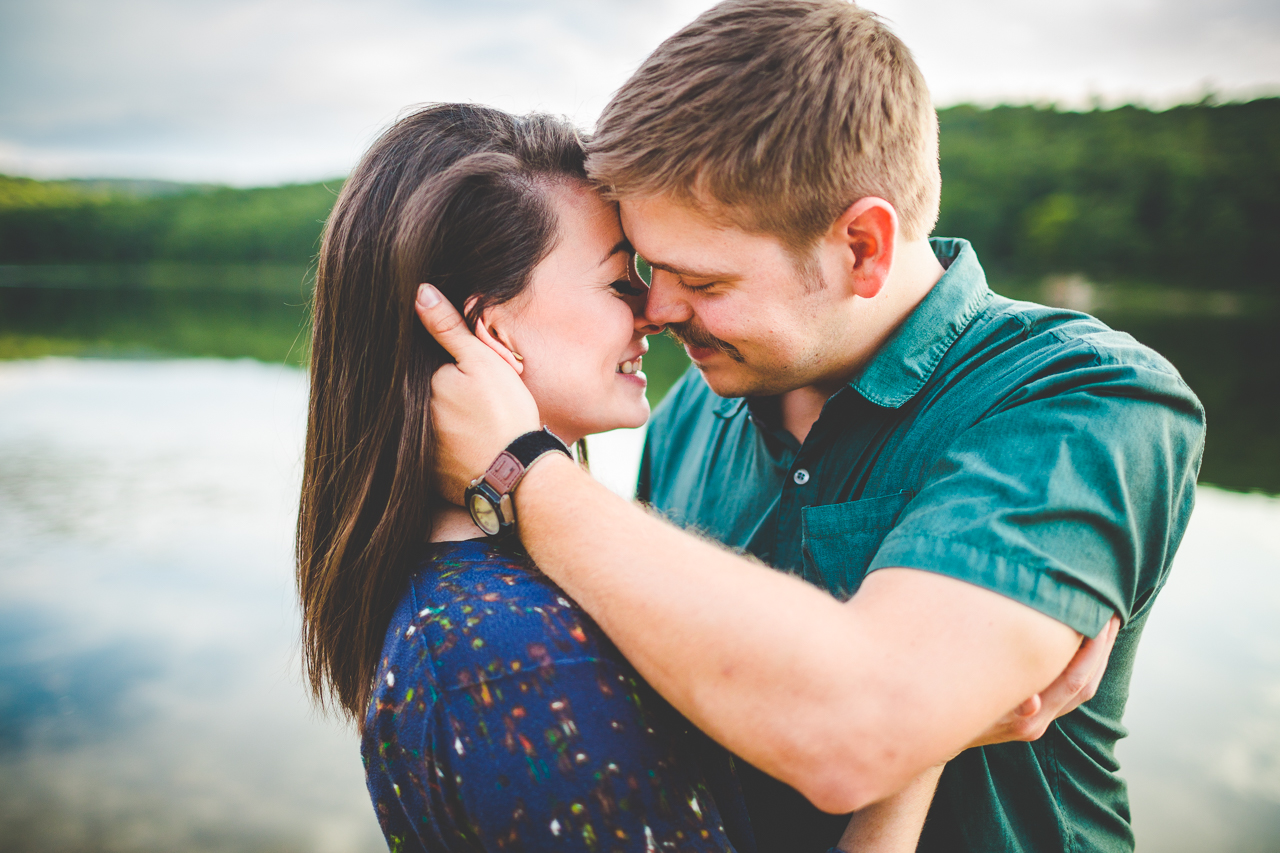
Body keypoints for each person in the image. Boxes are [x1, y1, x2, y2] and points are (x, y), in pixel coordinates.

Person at [411, 2, 1207, 852]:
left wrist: (522, 469)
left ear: (862, 247)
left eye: (702, 281)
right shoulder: (691, 412)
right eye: (646, 267)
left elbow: (856, 736)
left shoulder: (1084, 399)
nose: (658, 310)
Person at [296, 102, 985, 853]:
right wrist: (927, 734)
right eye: (621, 281)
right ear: (493, 328)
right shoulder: (521, 657)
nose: (655, 311)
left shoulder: (502, 587)